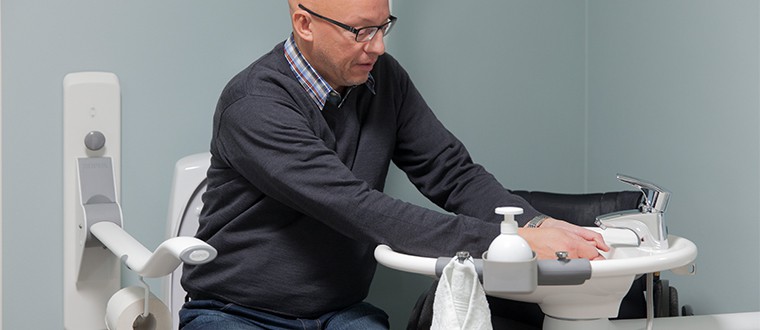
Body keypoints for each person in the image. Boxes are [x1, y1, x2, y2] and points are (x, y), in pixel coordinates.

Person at [179, 0, 609, 329]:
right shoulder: (256, 105)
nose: (379, 47)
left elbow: (451, 171)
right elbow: (354, 206)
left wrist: (533, 226)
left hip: (340, 313)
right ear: (304, 23)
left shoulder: (383, 79)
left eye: (383, 27)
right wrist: (501, 244)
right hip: (237, 314)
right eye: (361, 31)